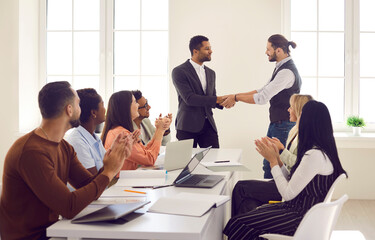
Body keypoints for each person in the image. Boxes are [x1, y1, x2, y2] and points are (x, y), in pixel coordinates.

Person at [0, 81, 134, 240]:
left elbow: (88, 185)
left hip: (54, 231)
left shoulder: (63, 146)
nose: (81, 108)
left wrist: (112, 163)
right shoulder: (31, 152)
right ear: (69, 110)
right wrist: (109, 171)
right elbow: (69, 206)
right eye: (78, 103)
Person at [223, 100, 347, 239]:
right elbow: (293, 181)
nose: (298, 119)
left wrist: (273, 162)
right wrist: (278, 160)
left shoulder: (314, 155)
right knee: (246, 209)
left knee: (238, 223)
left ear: (308, 122)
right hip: (299, 212)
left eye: (301, 116)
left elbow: (287, 194)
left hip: (298, 217)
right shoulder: (321, 151)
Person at [221, 34, 302, 178]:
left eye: (268, 49)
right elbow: (262, 90)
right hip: (277, 123)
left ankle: (275, 198)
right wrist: (234, 96)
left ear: (278, 50)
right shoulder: (281, 68)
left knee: (275, 164)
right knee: (268, 164)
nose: (266, 52)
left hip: (283, 125)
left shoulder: (286, 72)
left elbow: (262, 98)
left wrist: (235, 98)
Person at [231, 94, 313, 217]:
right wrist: (277, 150)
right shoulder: (294, 130)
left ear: (299, 110)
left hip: (292, 188)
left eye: (291, 107)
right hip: (287, 179)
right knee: (248, 203)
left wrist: (280, 153)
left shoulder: (308, 136)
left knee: (240, 188)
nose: (288, 110)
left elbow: (301, 164)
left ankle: (235, 229)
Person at [172, 35, 224, 148]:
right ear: (195, 51)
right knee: (186, 164)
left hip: (209, 126)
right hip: (187, 127)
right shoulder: (179, 71)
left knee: (214, 162)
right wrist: (217, 99)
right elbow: (189, 98)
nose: (211, 51)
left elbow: (211, 97)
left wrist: (223, 102)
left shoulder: (211, 73)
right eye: (207, 48)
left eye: (210, 48)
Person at [101, 91, 171, 170]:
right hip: (124, 180)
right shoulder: (121, 134)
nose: (137, 105)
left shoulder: (120, 131)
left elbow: (145, 151)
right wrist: (160, 131)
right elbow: (149, 159)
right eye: (135, 102)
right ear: (126, 107)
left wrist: (159, 129)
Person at [66, 88, 106, 174]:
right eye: (102, 105)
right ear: (93, 113)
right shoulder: (77, 142)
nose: (105, 109)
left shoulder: (94, 137)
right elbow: (94, 181)